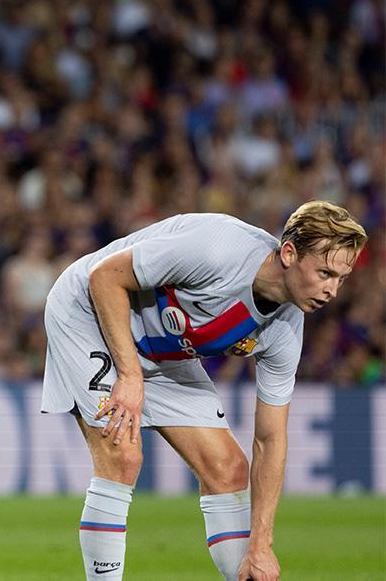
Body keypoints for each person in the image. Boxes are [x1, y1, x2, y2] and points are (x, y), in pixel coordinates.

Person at [40, 201, 366, 581]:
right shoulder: (218, 249)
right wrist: (130, 376)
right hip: (91, 314)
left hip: (162, 350)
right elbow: (104, 276)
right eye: (325, 272)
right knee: (122, 455)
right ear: (289, 254)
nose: (331, 290)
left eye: (340, 279)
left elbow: (270, 439)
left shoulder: (285, 330)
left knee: (228, 469)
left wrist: (261, 546)